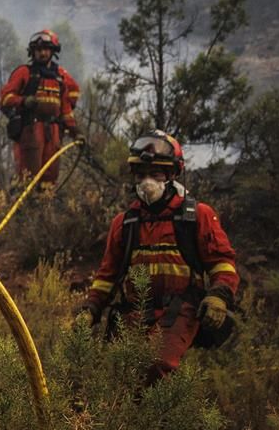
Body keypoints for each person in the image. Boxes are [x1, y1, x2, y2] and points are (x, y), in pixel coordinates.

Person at [81, 131, 240, 384]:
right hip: (134, 312)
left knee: (157, 364)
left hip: (179, 309)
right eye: (141, 174)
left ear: (172, 174)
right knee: (118, 375)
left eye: (155, 174)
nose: (147, 181)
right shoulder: (125, 223)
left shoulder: (196, 216)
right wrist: (91, 308)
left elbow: (222, 263)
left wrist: (218, 297)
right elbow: (107, 275)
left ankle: (162, 420)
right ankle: (131, 422)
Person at [0, 29, 80, 181]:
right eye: (38, 50)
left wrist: (75, 131)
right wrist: (23, 101)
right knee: (29, 176)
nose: (42, 53)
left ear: (53, 51)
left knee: (50, 176)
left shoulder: (60, 78)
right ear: (32, 52)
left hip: (54, 133)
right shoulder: (24, 72)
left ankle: (45, 203)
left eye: (46, 49)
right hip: (31, 130)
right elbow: (4, 98)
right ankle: (26, 203)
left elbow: (66, 109)